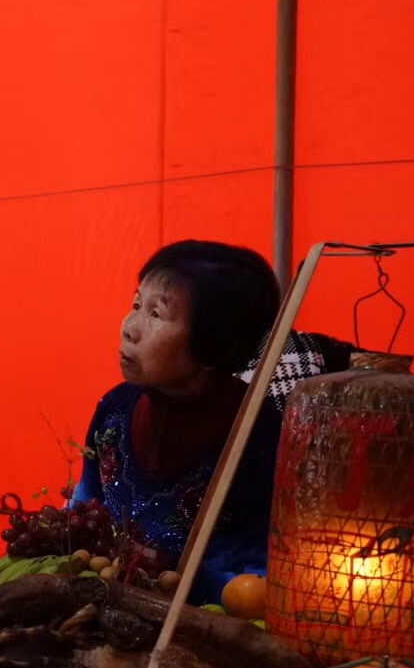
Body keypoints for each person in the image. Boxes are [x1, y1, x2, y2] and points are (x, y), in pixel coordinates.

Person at [71, 240, 283, 603]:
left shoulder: (257, 432)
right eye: (136, 304)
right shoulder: (115, 408)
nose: (129, 328)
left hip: (205, 631)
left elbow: (266, 575)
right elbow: (85, 502)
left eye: (156, 314)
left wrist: (186, 575)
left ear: (217, 341)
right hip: (100, 607)